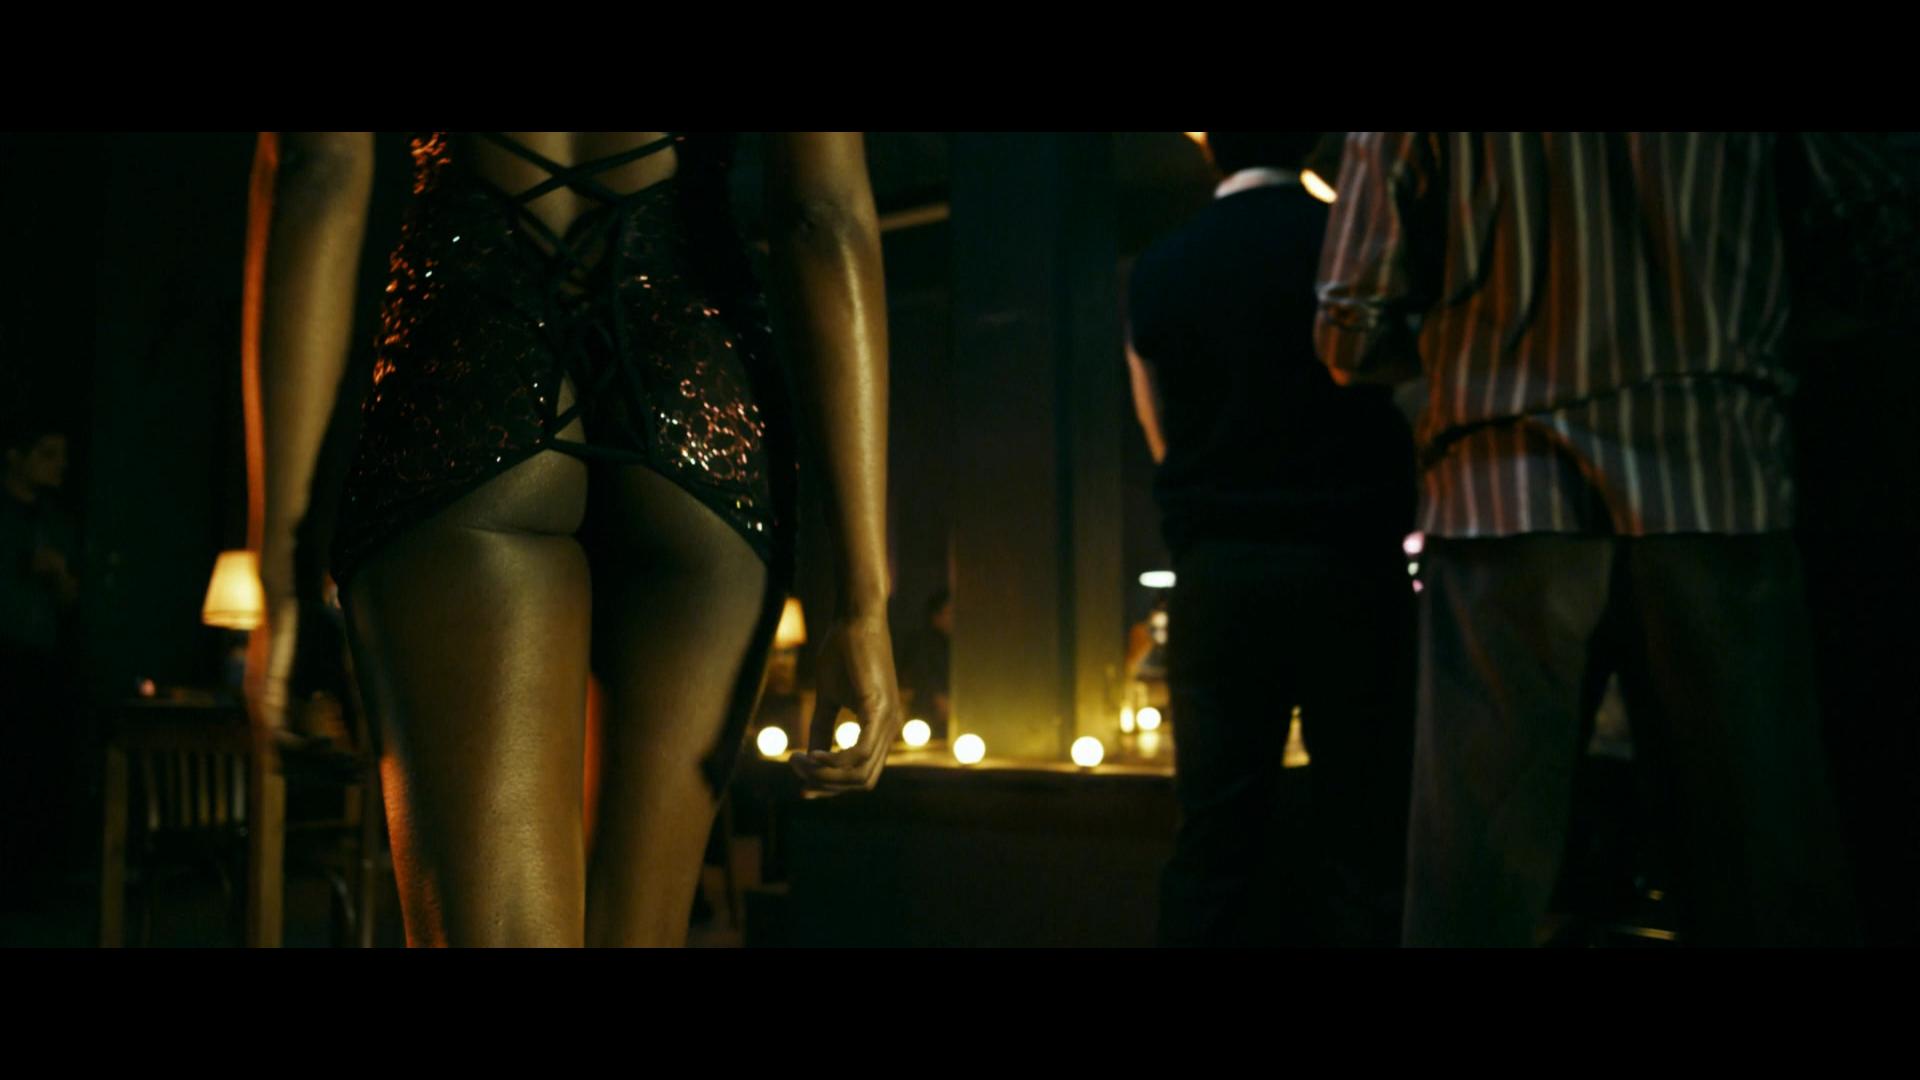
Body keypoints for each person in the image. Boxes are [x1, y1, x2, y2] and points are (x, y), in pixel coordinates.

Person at [251, 132, 903, 947]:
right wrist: (862, 600)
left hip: (470, 369)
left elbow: (316, 170)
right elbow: (823, 215)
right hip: (698, 390)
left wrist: (282, 572)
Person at [1316, 132, 1871, 946]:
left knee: (1476, 882)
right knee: (1762, 866)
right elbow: (1870, 235)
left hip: (1500, 488)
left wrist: (1463, 370)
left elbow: (1348, 325)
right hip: (1719, 474)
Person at [1127, 131, 1417, 947]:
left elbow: (1160, 432)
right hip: (1354, 566)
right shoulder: (1348, 246)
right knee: (1368, 842)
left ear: (1210, 145)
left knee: (1213, 846)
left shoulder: (1160, 267)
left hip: (1220, 572)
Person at [0, 418, 80, 891]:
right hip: (6, 652)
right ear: (16, 456)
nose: (59, 466)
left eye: (62, 456)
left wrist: (59, 577)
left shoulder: (55, 522)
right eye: (48, 454)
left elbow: (70, 598)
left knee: (35, 766)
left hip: (39, 657)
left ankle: (31, 877)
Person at [897, 587, 950, 739]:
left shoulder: (959, 645)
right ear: (936, 616)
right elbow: (919, 675)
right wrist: (938, 699)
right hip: (922, 717)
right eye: (949, 613)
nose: (954, 618)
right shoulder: (921, 643)